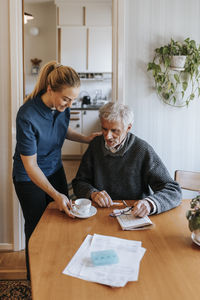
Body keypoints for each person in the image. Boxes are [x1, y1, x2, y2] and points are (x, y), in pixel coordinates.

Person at [13, 61, 100, 279]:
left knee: (64, 218)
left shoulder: (62, 108)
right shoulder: (27, 115)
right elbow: (30, 166)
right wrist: (56, 194)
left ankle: (60, 270)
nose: (69, 104)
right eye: (65, 99)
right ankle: (35, 277)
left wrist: (85, 138)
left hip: (54, 168)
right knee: (37, 226)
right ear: (50, 90)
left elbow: (63, 129)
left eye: (73, 100)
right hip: (28, 177)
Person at [72, 102, 182, 217]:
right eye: (104, 129)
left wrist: (150, 204)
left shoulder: (142, 150)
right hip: (100, 214)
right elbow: (79, 183)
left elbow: (173, 190)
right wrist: (92, 193)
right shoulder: (95, 145)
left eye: (115, 131)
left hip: (134, 215)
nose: (108, 136)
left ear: (128, 127)